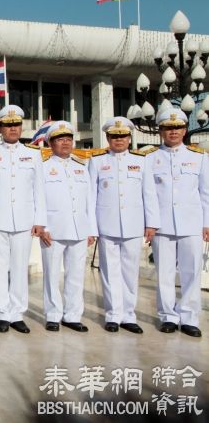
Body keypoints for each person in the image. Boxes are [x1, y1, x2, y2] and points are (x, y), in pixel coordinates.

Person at [87, 117, 159, 334]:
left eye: (123, 136)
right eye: (114, 136)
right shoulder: (97, 160)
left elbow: (149, 193)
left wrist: (151, 223)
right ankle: (112, 315)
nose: (119, 140)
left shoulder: (141, 160)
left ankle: (129, 315)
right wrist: (92, 227)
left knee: (130, 272)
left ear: (129, 138)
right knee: (109, 272)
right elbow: (90, 196)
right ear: (108, 138)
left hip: (133, 225)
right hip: (106, 224)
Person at [0, 105, 46, 334]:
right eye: (8, 125)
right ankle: (1, 313)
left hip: (24, 220)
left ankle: (17, 313)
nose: (13, 129)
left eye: (16, 124)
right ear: (0, 128)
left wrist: (40, 220)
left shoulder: (33, 154)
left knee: (19, 268)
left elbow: (39, 190)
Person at [148, 107, 209, 338]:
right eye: (168, 128)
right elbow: (148, 194)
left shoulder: (199, 157)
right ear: (161, 131)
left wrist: (207, 223)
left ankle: (190, 317)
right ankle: (168, 317)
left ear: (184, 130)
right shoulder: (150, 159)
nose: (173, 132)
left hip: (192, 223)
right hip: (162, 225)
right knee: (163, 273)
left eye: (177, 128)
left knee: (191, 272)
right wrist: (150, 223)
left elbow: (206, 193)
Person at [38, 121, 95, 333]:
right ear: (51, 143)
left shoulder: (81, 167)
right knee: (52, 274)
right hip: (53, 230)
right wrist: (42, 225)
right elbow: (39, 199)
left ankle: (72, 315)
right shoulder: (43, 167)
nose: (65, 143)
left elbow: (90, 201)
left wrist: (91, 230)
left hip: (79, 229)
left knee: (76, 275)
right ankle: (53, 314)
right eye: (60, 139)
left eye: (68, 139)